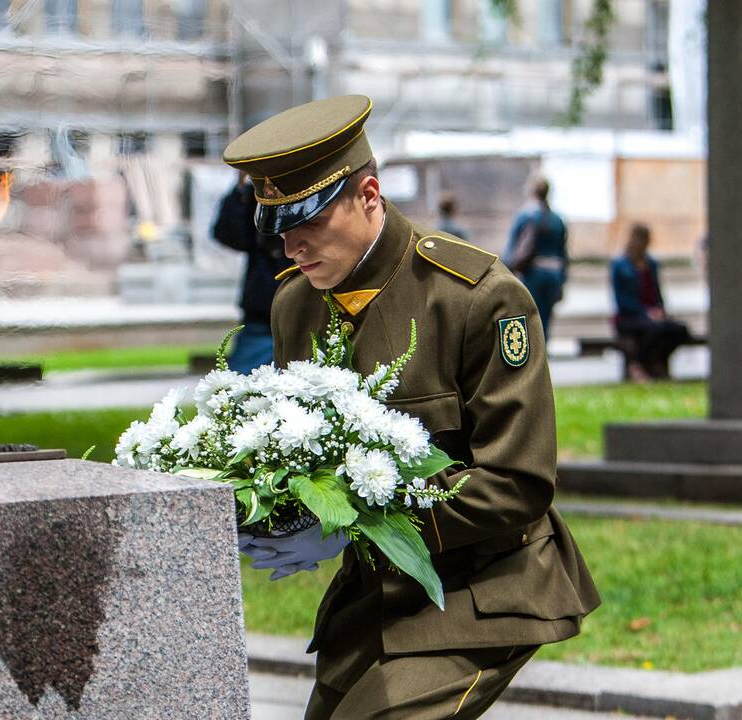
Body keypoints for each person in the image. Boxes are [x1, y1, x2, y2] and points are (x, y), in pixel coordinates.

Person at [224, 95, 599, 720]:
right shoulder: (295, 304)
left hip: (484, 590)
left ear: (368, 193)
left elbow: (518, 483)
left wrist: (362, 517)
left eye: (309, 220)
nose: (292, 245)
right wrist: (273, 510)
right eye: (280, 227)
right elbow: (301, 454)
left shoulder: (477, 297)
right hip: (373, 600)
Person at [212, 172, 294, 373]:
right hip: (262, 313)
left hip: (306, 308)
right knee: (237, 394)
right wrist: (243, 185)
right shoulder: (254, 193)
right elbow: (229, 235)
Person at [610, 223, 691, 381]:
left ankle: (655, 363)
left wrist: (660, 310)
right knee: (653, 329)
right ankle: (638, 365)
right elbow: (621, 300)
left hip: (652, 316)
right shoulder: (620, 265)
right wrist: (645, 313)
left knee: (679, 330)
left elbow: (657, 293)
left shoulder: (651, 264)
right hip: (629, 317)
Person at [503, 179, 567, 340]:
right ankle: (545, 353)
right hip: (554, 274)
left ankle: (533, 359)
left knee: (530, 317)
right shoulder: (558, 219)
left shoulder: (525, 216)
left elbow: (512, 249)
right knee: (546, 318)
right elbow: (563, 253)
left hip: (533, 274)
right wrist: (563, 280)